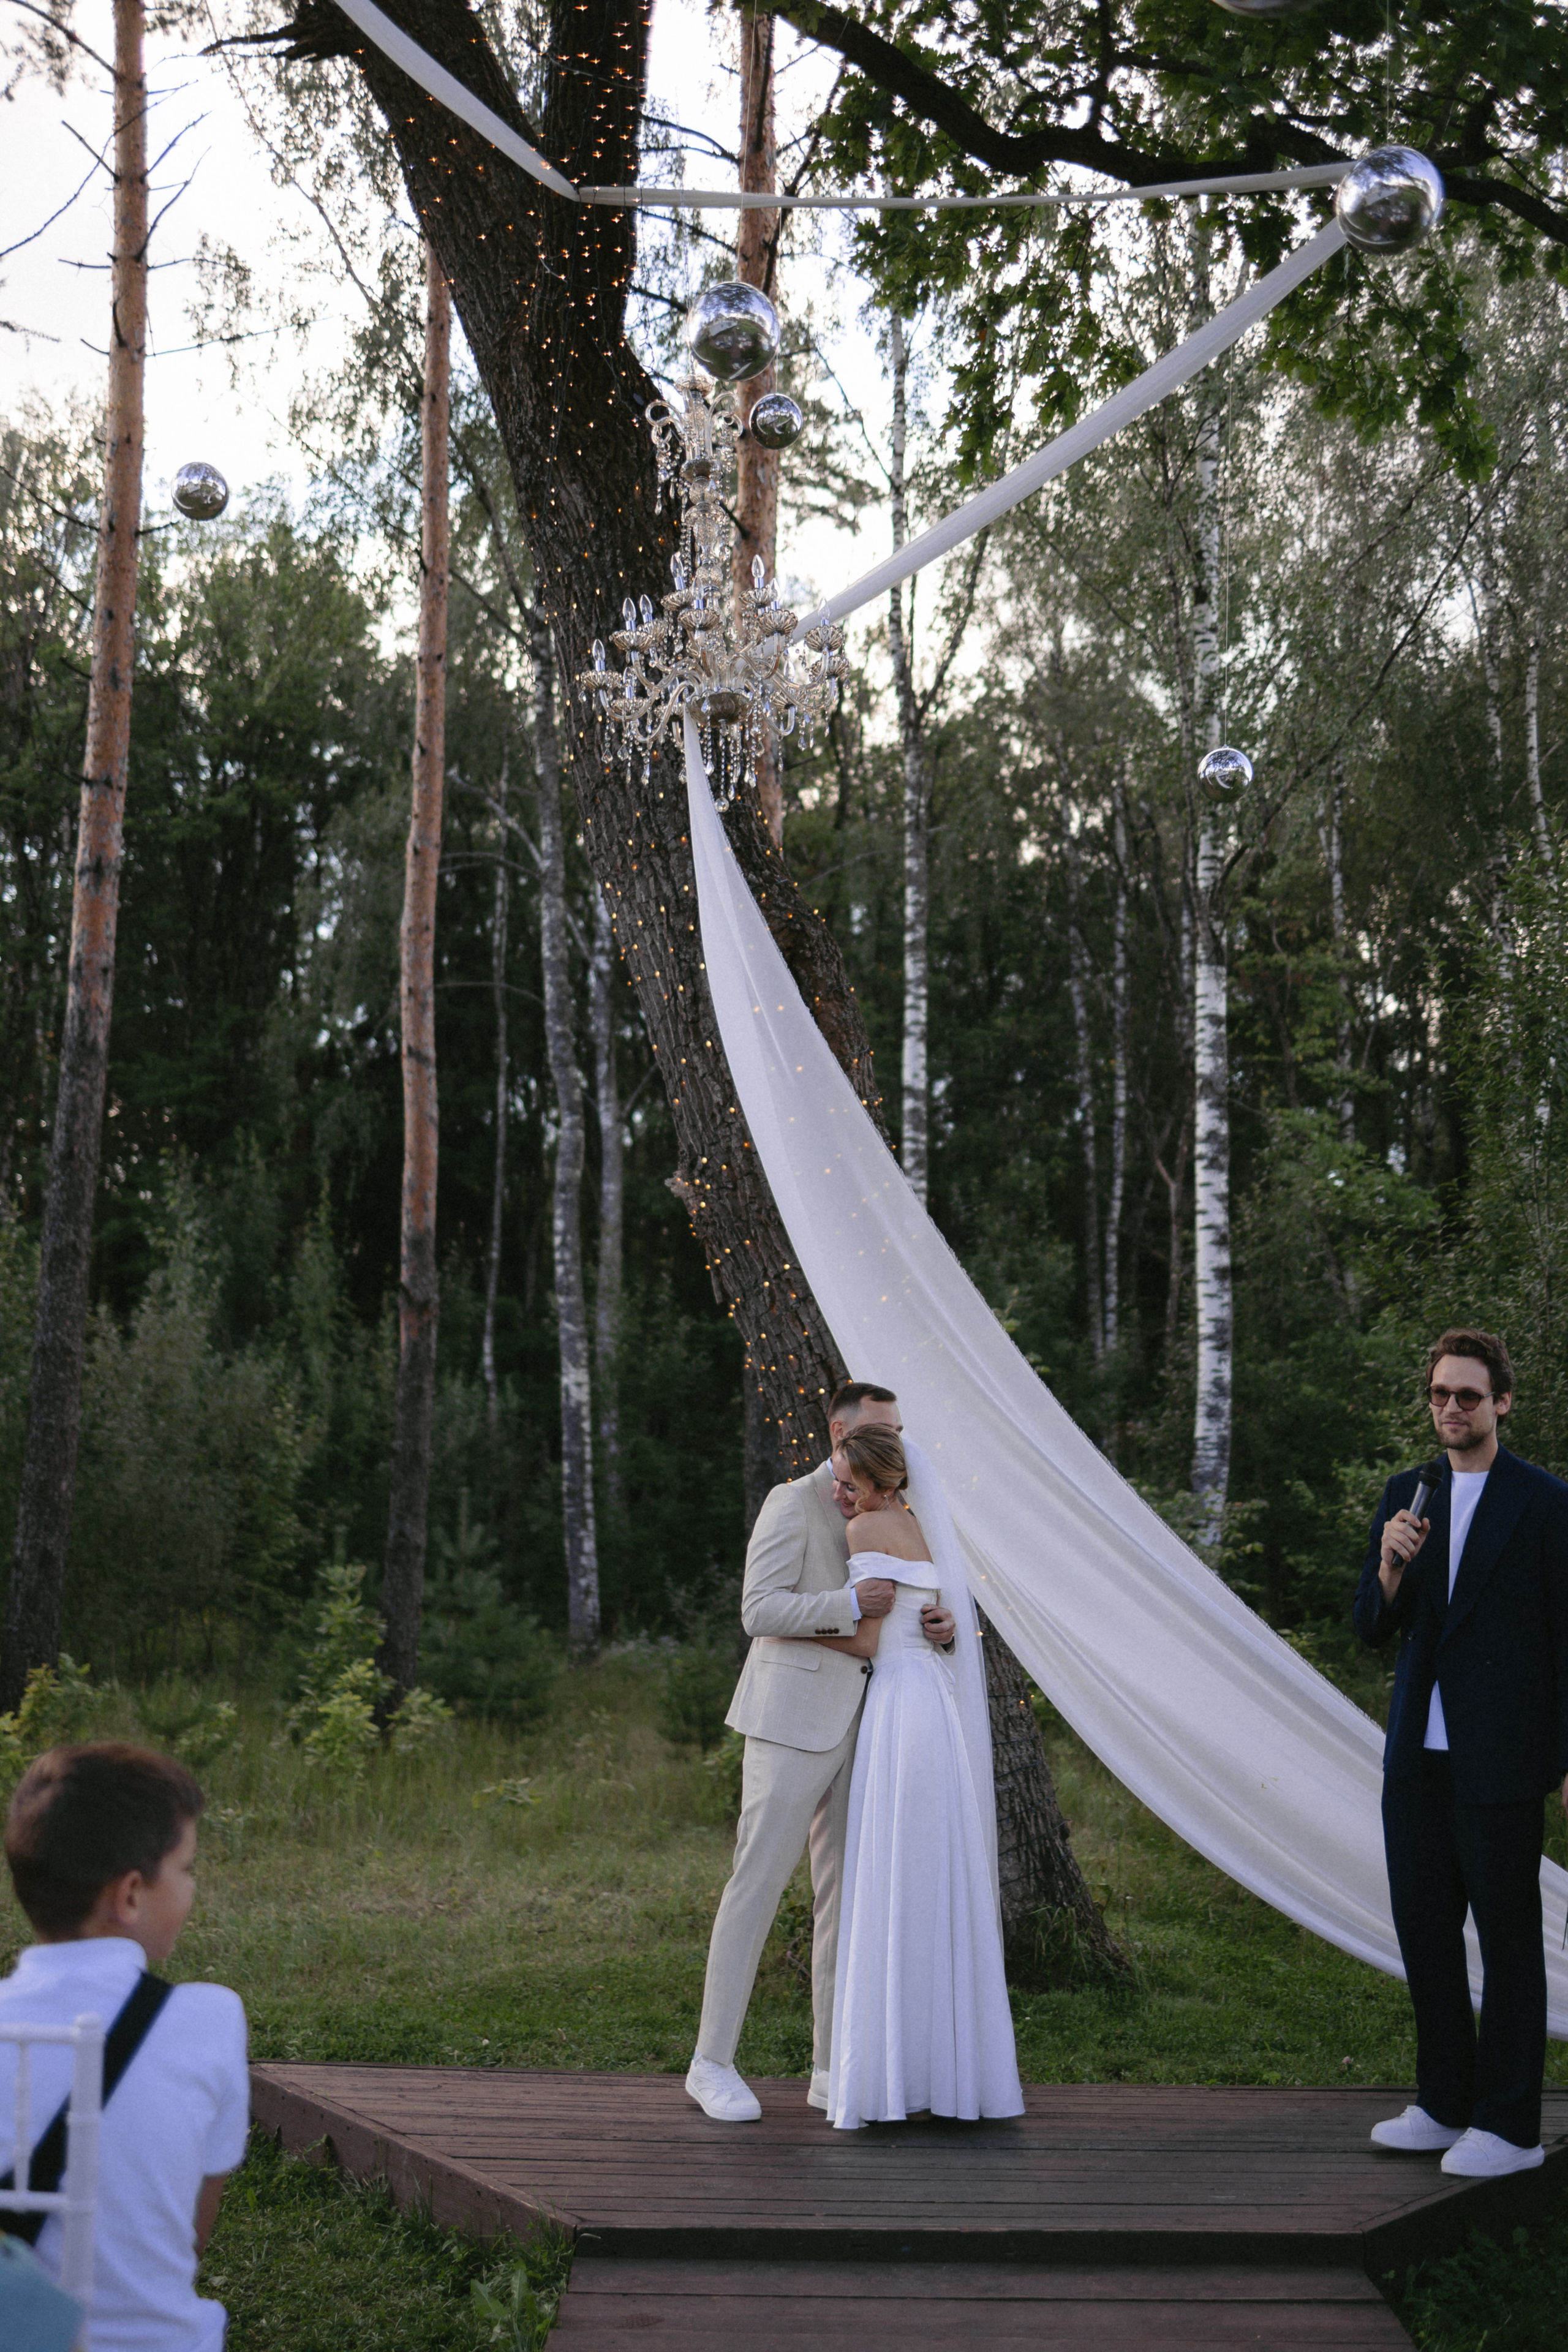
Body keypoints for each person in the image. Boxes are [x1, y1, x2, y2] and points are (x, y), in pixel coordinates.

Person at [687, 1382, 956, 2122]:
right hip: (792, 1719)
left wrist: (938, 1627)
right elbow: (758, 1609)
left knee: (846, 1899)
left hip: (874, 1724)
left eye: (897, 1429)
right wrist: (848, 1606)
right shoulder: (791, 1502)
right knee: (757, 1884)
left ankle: (831, 2068)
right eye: (881, 1430)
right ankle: (711, 2064)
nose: (896, 1441)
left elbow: (912, 1605)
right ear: (839, 1433)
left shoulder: (901, 1508)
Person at [1354, 1328, 1568, 2179]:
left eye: (1467, 1395)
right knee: (1427, 1934)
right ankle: (1444, 2104)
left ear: (1502, 1402)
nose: (1450, 1407)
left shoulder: (1545, 1503)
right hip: (1416, 1758)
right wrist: (1388, 1567)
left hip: (1502, 1758)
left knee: (1508, 1941)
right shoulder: (1408, 1493)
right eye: (1440, 1394)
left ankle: (1511, 2126)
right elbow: (1370, 1627)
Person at [0, 1744, 249, 2351]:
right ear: (131, 1894)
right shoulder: (211, 2018)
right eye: (186, 1869)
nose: (192, 1886)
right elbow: (190, 2238)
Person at [812, 1422, 1022, 2128]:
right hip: (934, 1700)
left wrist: (787, 1627)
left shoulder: (865, 1530)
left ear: (883, 1484)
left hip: (898, 1705)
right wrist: (945, 1630)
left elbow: (868, 1639)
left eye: (850, 1485)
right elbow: (939, 1618)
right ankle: (950, 2070)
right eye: (839, 1483)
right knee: (935, 1870)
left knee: (893, 1873)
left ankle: (893, 2072)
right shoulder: (921, 1525)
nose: (840, 1495)